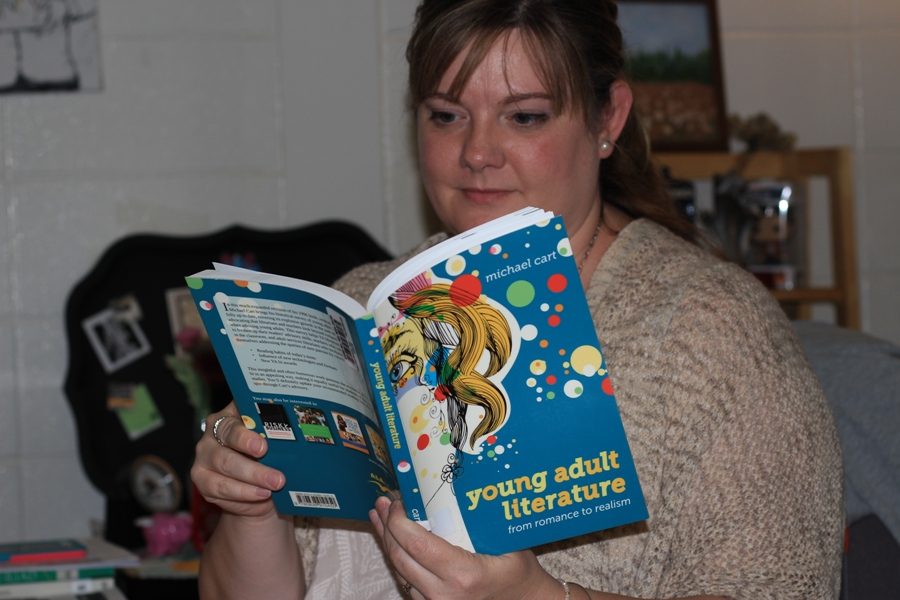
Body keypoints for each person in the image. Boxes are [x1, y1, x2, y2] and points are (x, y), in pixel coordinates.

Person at [190, 1, 843, 598]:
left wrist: (533, 596)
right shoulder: (362, 306)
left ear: (608, 118)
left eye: (524, 116)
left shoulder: (715, 336)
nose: (476, 152)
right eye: (446, 115)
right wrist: (252, 507)